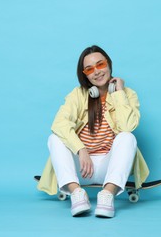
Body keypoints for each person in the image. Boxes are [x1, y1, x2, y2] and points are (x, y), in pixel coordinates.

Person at [37, 45, 149, 218]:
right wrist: (81, 150)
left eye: (100, 64)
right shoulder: (78, 94)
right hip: (81, 169)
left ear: (109, 64)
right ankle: (76, 194)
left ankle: (107, 195)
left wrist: (119, 93)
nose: (96, 71)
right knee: (55, 138)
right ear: (85, 75)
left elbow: (127, 126)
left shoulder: (127, 94)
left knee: (128, 137)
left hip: (109, 168)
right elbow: (59, 123)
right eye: (89, 69)